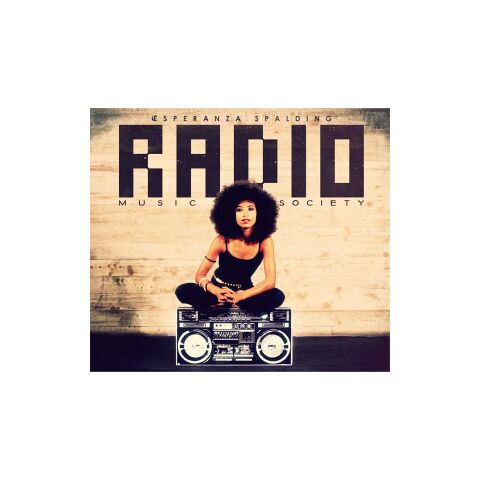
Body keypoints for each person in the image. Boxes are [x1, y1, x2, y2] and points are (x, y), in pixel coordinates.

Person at [175, 181, 285, 312]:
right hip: (217, 290)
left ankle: (227, 306)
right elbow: (199, 275)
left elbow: (270, 281)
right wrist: (215, 291)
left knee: (277, 296)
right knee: (183, 290)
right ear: (231, 214)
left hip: (244, 292)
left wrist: (241, 296)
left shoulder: (265, 241)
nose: (245, 214)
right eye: (239, 209)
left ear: (259, 212)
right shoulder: (221, 240)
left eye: (250, 209)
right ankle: (221, 303)